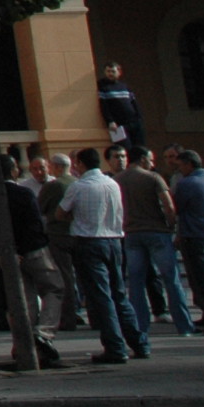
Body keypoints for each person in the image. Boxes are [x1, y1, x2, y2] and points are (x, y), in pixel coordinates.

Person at [0, 157, 66, 368]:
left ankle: (22, 345)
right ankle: (43, 333)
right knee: (55, 288)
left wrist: (5, 251)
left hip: (8, 255)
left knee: (23, 300)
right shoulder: (24, 194)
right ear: (13, 171)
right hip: (34, 250)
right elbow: (35, 224)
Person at [58, 145, 146, 364]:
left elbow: (60, 213)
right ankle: (139, 343)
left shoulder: (79, 187)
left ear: (79, 164)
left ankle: (115, 346)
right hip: (114, 240)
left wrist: (76, 218)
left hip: (89, 241)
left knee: (101, 297)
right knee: (119, 294)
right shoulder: (112, 183)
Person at [120, 146, 196, 341]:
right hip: (156, 232)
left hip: (131, 233)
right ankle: (184, 325)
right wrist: (171, 225)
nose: (152, 164)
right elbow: (169, 205)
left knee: (135, 283)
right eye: (150, 160)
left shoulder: (118, 179)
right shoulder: (153, 178)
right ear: (142, 160)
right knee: (171, 279)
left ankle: (140, 327)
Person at [171, 149, 204, 334]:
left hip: (195, 237)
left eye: (181, 165)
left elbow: (178, 209)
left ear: (189, 164)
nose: (180, 169)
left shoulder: (187, 183)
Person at [37, 157, 84, 329]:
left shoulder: (53, 186)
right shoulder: (79, 182)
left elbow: (39, 208)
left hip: (59, 235)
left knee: (65, 277)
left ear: (56, 167)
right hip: (80, 234)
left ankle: (68, 318)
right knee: (85, 277)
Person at [97, 64, 145, 152]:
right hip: (118, 126)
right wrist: (110, 121)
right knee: (124, 149)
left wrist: (139, 118)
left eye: (113, 71)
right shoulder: (102, 87)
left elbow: (134, 103)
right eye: (108, 71)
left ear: (119, 72)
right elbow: (103, 106)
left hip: (134, 122)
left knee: (140, 149)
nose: (110, 74)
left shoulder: (124, 86)